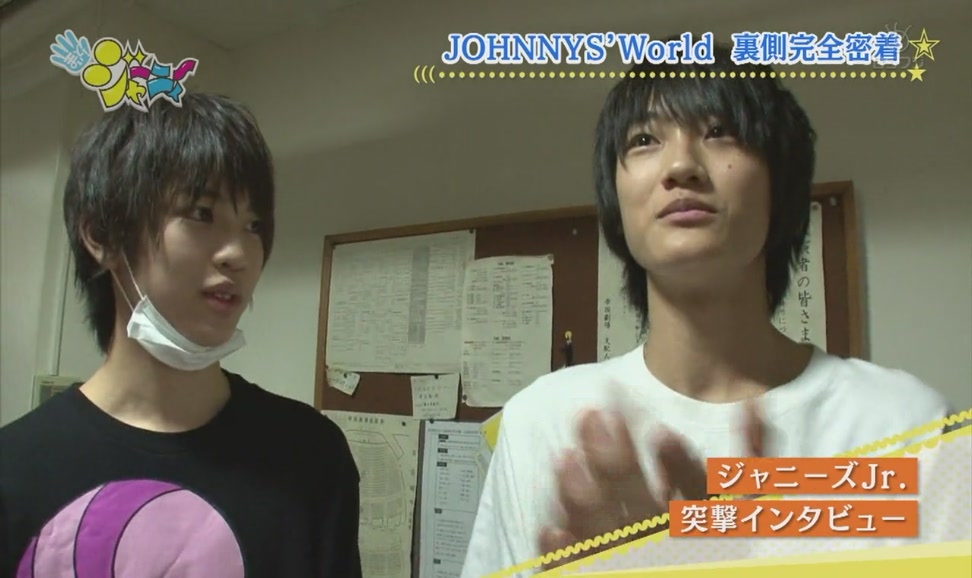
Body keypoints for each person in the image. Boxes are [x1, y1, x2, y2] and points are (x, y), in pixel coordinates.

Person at [460, 41, 954, 576]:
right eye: (644, 140)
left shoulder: (909, 426)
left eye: (720, 131)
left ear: (780, 188)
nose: (681, 165)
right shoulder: (541, 421)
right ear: (616, 202)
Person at [0, 93, 362, 578]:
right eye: (201, 214)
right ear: (102, 236)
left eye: (254, 225)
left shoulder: (310, 456)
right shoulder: (15, 470)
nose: (238, 253)